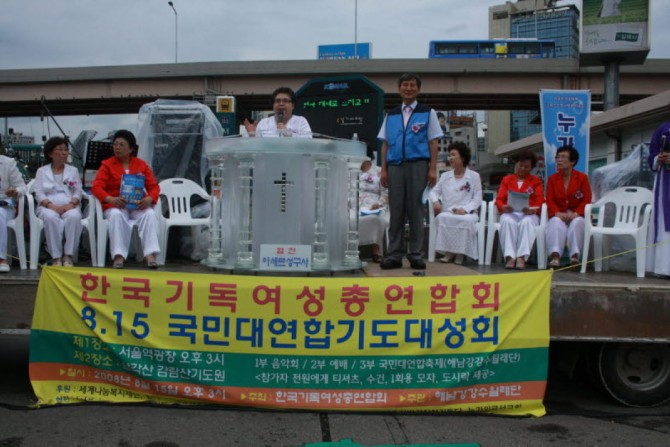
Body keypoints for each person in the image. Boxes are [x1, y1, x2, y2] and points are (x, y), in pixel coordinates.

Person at [377, 73, 441, 270]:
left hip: (418, 165)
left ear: (418, 89)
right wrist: (383, 170)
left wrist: (432, 169)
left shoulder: (427, 112)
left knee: (416, 211)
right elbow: (385, 144)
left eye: (412, 85)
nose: (408, 88)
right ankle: (394, 254)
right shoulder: (391, 114)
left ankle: (415, 254)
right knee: (396, 210)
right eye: (405, 85)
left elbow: (433, 142)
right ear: (399, 89)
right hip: (395, 166)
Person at [92, 129, 160, 269]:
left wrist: (149, 199)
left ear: (131, 149)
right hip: (116, 205)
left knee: (150, 214)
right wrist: (110, 199)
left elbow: (154, 187)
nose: (117, 147)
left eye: (121, 145)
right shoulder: (107, 165)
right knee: (116, 215)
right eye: (115, 144)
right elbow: (96, 187)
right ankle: (119, 256)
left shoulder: (141, 165)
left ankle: (150, 254)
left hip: (137, 205)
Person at [429, 142, 483, 265]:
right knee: (443, 218)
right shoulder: (445, 176)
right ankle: (449, 252)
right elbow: (433, 192)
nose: (450, 158)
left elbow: (477, 198)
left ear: (462, 157)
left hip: (467, 213)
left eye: (453, 155)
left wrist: (465, 209)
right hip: (449, 211)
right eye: (449, 155)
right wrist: (436, 202)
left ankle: (460, 253)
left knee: (466, 221)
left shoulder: (474, 176)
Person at [34, 137, 83, 267]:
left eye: (66, 150)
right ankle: (55, 256)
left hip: (69, 205)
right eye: (60, 150)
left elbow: (78, 191)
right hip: (48, 206)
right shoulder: (41, 171)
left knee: (74, 217)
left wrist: (71, 204)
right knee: (50, 218)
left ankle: (68, 255)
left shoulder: (73, 170)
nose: (64, 153)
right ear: (50, 153)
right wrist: (50, 206)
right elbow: (38, 192)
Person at [494, 150, 544, 270]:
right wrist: (503, 207)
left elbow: (539, 200)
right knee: (507, 221)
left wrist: (532, 210)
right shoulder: (507, 179)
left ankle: (521, 256)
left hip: (528, 213)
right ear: (516, 164)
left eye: (526, 167)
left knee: (527, 222)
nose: (522, 169)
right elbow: (499, 199)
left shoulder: (536, 181)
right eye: (520, 165)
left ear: (531, 168)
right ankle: (510, 256)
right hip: (510, 212)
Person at [545, 144, 592, 268]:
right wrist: (557, 213)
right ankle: (555, 256)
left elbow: (586, 199)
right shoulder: (552, 179)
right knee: (555, 222)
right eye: (558, 157)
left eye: (563, 157)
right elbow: (550, 199)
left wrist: (577, 213)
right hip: (559, 214)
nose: (559, 160)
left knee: (577, 223)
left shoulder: (582, 178)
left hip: (576, 214)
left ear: (572, 161)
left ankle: (574, 256)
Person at [646, 120, 670, 277]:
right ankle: (664, 268)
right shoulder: (663, 128)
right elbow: (652, 155)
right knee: (663, 222)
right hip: (664, 182)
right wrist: (658, 159)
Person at [243, 87, 312, 138]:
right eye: (277, 101)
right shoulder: (264, 123)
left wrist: (288, 134)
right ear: (273, 105)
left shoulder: (301, 121)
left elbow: (307, 142)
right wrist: (252, 135)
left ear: (293, 105)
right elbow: (257, 146)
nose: (281, 104)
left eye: (285, 101)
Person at [358, 150, 389, 263]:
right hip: (356, 206)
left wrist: (379, 204)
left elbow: (386, 192)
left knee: (375, 219)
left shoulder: (379, 171)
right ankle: (353, 251)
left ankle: (376, 252)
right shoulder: (352, 171)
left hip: (374, 206)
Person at [0, 154, 27, 272]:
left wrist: (15, 191)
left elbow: (22, 187)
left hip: (3, 204)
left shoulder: (8, 162)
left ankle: (1, 259)